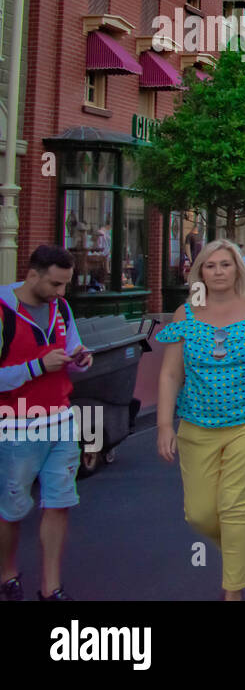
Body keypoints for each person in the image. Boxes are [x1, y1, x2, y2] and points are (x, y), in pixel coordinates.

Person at [155, 239, 245, 600]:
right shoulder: (184, 315)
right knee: (200, 515)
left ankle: (233, 590)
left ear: (238, 270)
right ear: (200, 271)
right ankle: (238, 547)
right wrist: (164, 425)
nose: (218, 271)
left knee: (234, 506)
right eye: (210, 265)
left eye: (225, 264)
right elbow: (171, 374)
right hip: (197, 424)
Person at [0, 246, 91, 602]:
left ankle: (50, 587)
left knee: (59, 502)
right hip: (15, 425)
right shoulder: (5, 312)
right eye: (55, 283)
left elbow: (73, 349)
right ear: (33, 274)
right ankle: (7, 572)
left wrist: (81, 359)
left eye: (65, 284)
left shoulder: (61, 309)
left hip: (61, 419)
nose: (60, 292)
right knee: (12, 508)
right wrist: (37, 367)